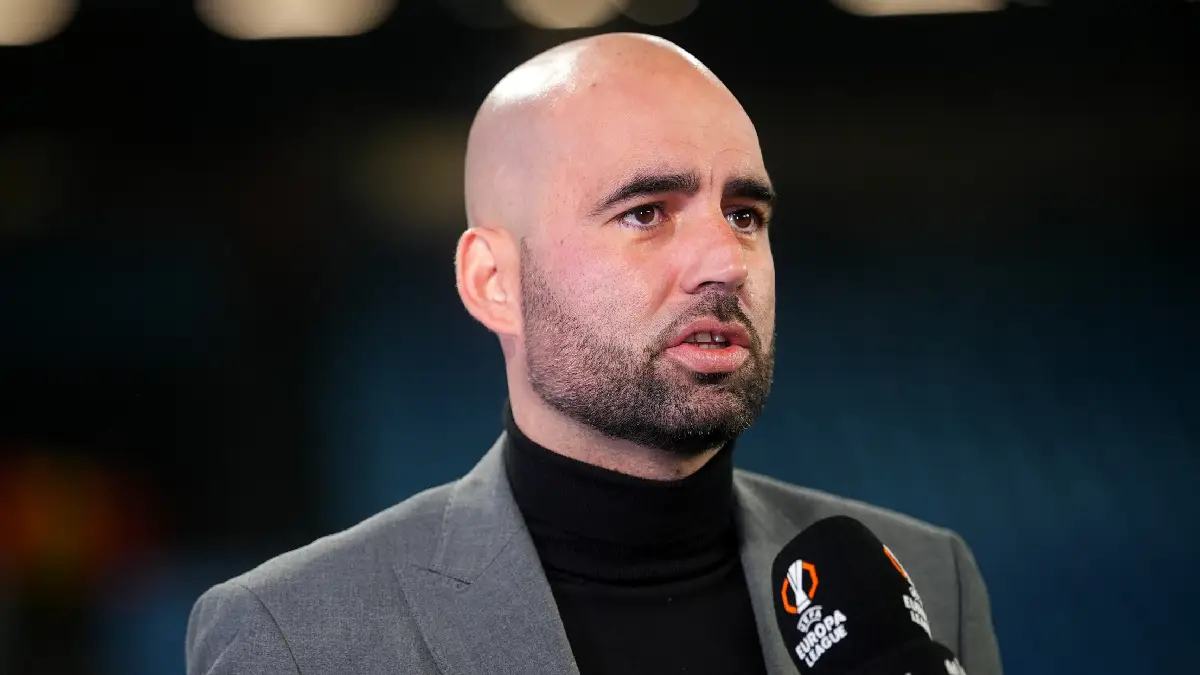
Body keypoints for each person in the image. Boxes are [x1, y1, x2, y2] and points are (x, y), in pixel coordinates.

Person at [186, 33, 1003, 675]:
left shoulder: (926, 579)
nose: (726, 261)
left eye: (745, 215)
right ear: (493, 281)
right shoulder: (297, 635)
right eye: (647, 212)